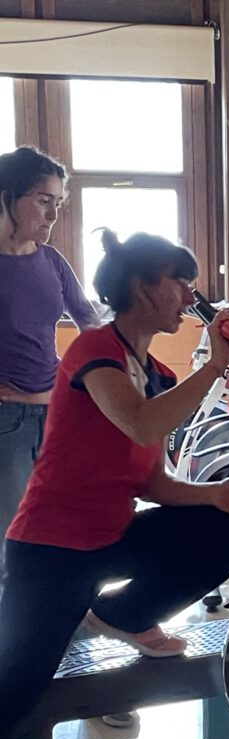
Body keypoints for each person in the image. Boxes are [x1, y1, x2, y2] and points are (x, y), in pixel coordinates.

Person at [0, 230, 229, 739]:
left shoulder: (158, 375)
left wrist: (216, 494)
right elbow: (139, 423)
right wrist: (216, 365)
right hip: (50, 551)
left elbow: (152, 483)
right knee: (15, 693)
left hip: (114, 540)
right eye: (181, 282)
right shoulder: (92, 351)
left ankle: (124, 614)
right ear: (142, 287)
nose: (190, 298)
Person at [0, 146, 99, 576]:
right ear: (7, 197)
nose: (53, 215)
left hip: (57, 415)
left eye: (58, 204)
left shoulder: (52, 262)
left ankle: (59, 628)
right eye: (43, 201)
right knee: (12, 542)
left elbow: (90, 324)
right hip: (8, 421)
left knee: (60, 529)